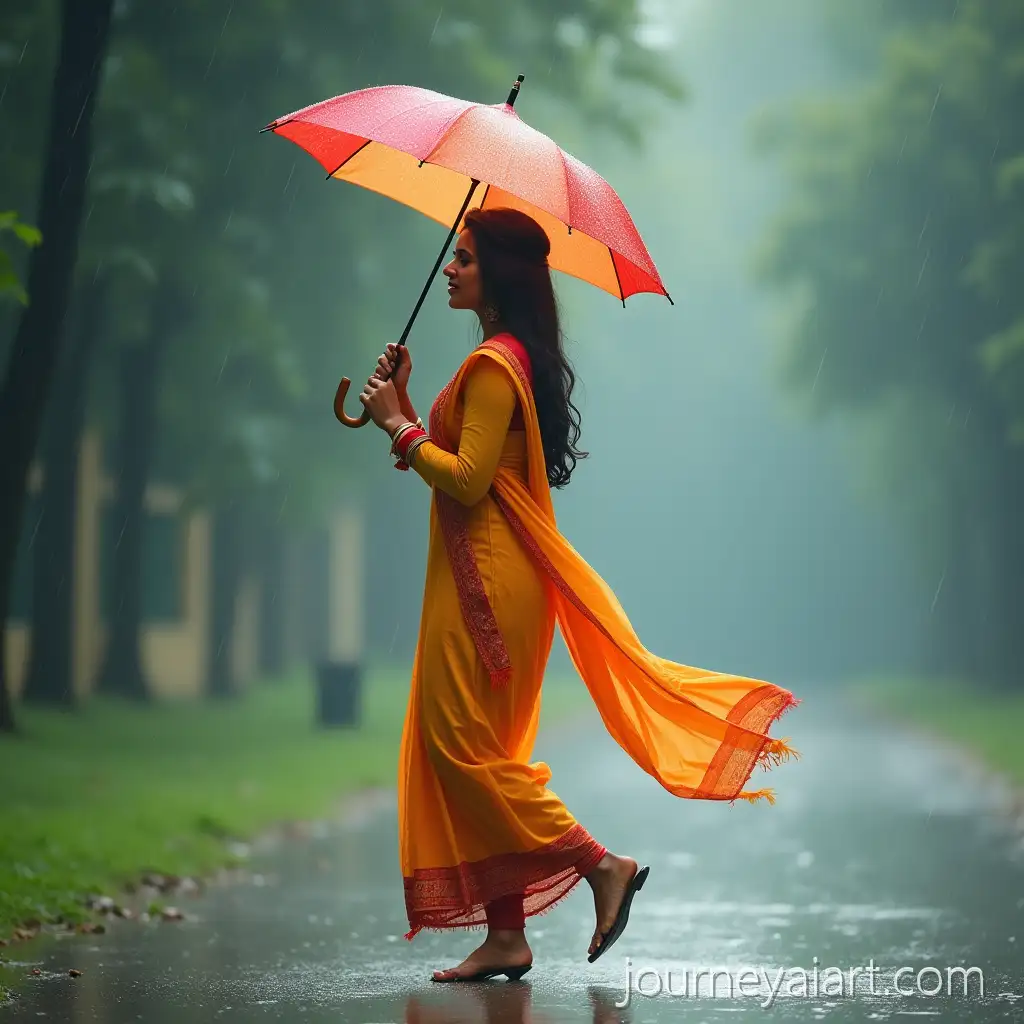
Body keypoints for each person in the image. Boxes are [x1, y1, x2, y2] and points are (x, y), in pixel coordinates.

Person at [358, 207, 799, 983]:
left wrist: (398, 425)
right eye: (453, 258)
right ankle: (506, 937)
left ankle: (601, 867)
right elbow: (464, 460)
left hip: (485, 584)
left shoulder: (496, 365)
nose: (452, 269)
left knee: (457, 748)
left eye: (465, 258)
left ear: (499, 272)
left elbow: (464, 481)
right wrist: (405, 402)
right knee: (484, 750)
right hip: (484, 574)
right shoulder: (502, 361)